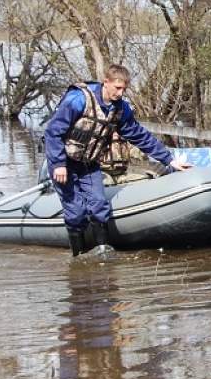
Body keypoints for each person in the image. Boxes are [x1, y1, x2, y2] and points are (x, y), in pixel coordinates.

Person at [43, 64, 192, 257]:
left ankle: (103, 253)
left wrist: (168, 160)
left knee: (98, 205)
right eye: (117, 88)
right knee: (76, 211)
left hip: (89, 164)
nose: (120, 93)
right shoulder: (78, 100)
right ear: (106, 82)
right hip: (65, 162)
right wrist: (58, 165)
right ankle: (78, 259)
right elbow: (53, 133)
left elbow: (138, 135)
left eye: (124, 89)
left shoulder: (120, 109)